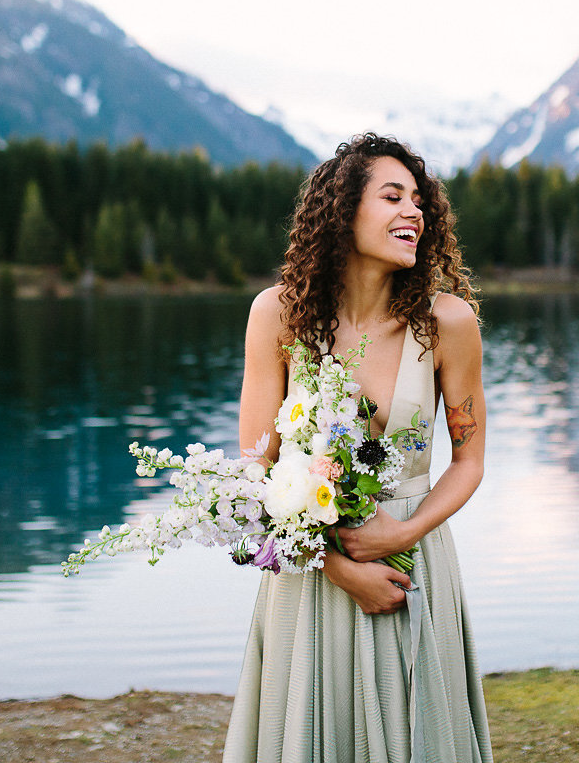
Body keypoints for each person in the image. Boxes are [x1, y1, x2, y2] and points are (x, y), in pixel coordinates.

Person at [222, 134, 494, 763]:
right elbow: (255, 468)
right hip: (310, 566)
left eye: (420, 201)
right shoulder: (278, 316)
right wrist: (340, 568)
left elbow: (470, 460)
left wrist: (402, 536)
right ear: (342, 213)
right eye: (393, 196)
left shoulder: (447, 322)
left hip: (410, 563)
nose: (415, 213)